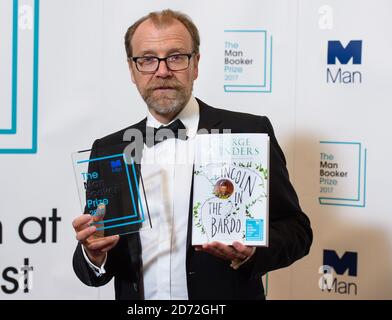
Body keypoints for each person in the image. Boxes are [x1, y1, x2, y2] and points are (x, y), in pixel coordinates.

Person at [72, 9, 312, 300]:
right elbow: (95, 256)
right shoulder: (110, 149)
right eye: (147, 59)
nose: (162, 71)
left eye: (175, 57)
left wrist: (253, 252)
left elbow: (296, 230)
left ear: (195, 64)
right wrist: (93, 254)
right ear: (132, 71)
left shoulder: (247, 132)